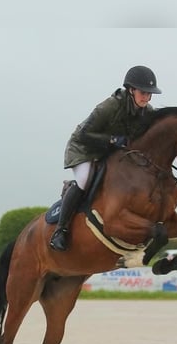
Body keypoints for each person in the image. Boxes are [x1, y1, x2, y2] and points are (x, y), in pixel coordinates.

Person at [49, 65, 162, 252]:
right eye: (143, 92)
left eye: (150, 94)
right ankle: (60, 231)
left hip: (109, 152)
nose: (147, 97)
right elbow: (84, 134)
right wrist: (112, 139)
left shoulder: (146, 112)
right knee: (84, 180)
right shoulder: (110, 106)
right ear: (131, 89)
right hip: (83, 148)